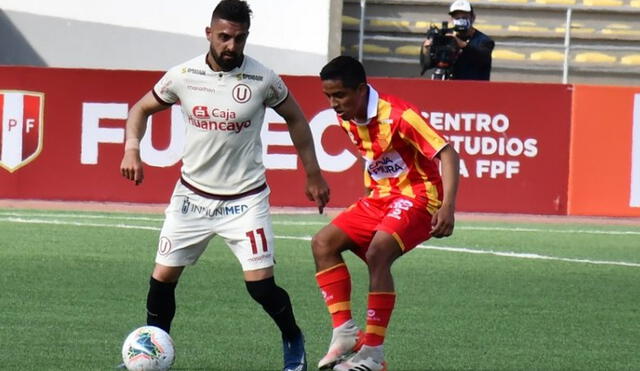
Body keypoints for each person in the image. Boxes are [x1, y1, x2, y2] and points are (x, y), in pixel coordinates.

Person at [119, 1, 329, 370]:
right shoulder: (183, 75)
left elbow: (296, 117)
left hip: (245, 200)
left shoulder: (263, 78)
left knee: (261, 287)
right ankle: (152, 353)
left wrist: (312, 172)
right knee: (162, 279)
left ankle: (293, 336)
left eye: (239, 38)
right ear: (209, 34)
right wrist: (132, 149)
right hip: (191, 198)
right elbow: (139, 109)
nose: (231, 46)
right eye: (224, 37)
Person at [312, 56, 460, 371]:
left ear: (362, 90)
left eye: (339, 95)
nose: (334, 104)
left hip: (420, 195)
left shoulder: (399, 115)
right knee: (323, 243)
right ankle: (346, 332)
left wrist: (447, 206)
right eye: (328, 96)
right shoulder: (347, 116)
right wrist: (370, 197)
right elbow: (376, 159)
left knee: (379, 253)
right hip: (382, 196)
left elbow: (448, 152)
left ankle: (374, 355)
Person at [420, 0, 494, 80]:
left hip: (473, 87)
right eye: (457, 18)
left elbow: (482, 57)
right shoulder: (444, 36)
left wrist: (460, 43)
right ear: (451, 19)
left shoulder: (484, 40)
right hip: (448, 85)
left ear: (473, 17)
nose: (460, 20)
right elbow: (427, 64)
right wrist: (427, 49)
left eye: (464, 17)